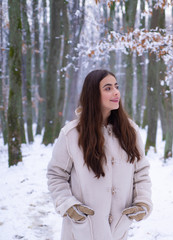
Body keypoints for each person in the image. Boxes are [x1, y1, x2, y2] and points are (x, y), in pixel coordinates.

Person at [47, 69, 152, 240]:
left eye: (116, 87)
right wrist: (69, 206)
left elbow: (141, 173)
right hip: (82, 231)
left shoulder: (130, 131)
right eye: (108, 88)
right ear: (93, 94)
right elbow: (56, 175)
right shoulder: (71, 134)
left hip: (118, 231)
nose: (116, 92)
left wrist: (142, 202)